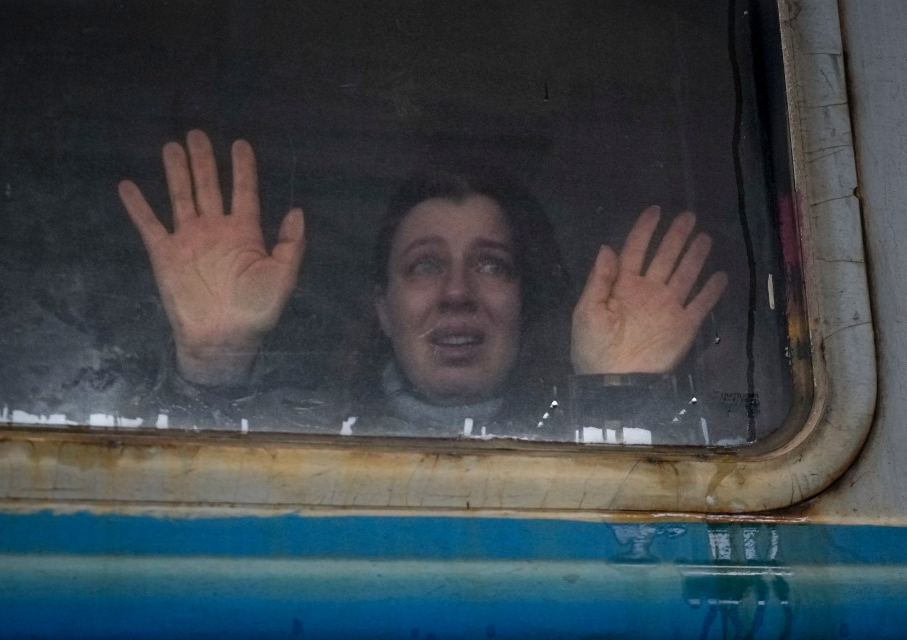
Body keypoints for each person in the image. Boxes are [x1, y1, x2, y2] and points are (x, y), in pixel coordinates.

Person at [119, 130, 727, 441]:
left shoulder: (567, 430)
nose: (458, 292)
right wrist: (212, 361)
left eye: (492, 265)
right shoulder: (308, 434)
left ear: (526, 301)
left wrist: (618, 395)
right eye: (425, 265)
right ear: (383, 310)